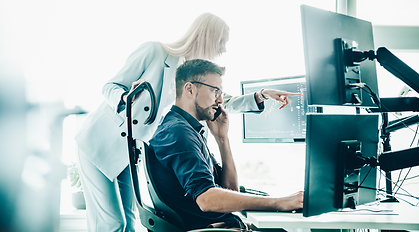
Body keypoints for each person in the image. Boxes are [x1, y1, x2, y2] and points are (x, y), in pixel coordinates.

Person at [75, 13, 301, 231]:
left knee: (129, 221)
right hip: (100, 143)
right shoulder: (155, 52)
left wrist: (261, 95)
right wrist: (126, 99)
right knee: (112, 224)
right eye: (221, 41)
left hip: (127, 150)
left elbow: (221, 100)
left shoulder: (192, 75)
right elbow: (110, 86)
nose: (223, 49)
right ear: (207, 36)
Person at [148, 59, 304, 231]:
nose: (220, 99)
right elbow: (207, 199)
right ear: (190, 89)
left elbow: (230, 189)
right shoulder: (178, 133)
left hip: (221, 225)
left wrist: (222, 139)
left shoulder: (187, 129)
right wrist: (281, 203)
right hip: (213, 228)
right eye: (215, 91)